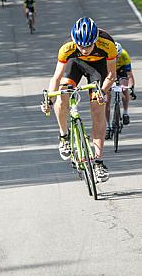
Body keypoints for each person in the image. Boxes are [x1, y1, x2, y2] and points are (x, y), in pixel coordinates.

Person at [41, 17, 117, 182]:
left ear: (95, 40)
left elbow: (111, 75)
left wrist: (102, 91)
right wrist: (48, 99)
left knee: (98, 110)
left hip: (98, 69)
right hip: (74, 65)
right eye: (80, 46)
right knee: (61, 96)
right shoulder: (66, 48)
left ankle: (98, 161)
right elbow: (56, 77)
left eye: (88, 45)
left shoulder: (108, 44)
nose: (84, 49)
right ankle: (64, 136)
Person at [105, 42, 135, 139]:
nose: (116, 58)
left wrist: (131, 88)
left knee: (124, 88)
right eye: (115, 57)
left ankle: (125, 112)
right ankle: (108, 126)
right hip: (108, 71)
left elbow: (129, 75)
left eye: (118, 56)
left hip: (120, 71)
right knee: (106, 99)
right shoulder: (105, 56)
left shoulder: (124, 55)